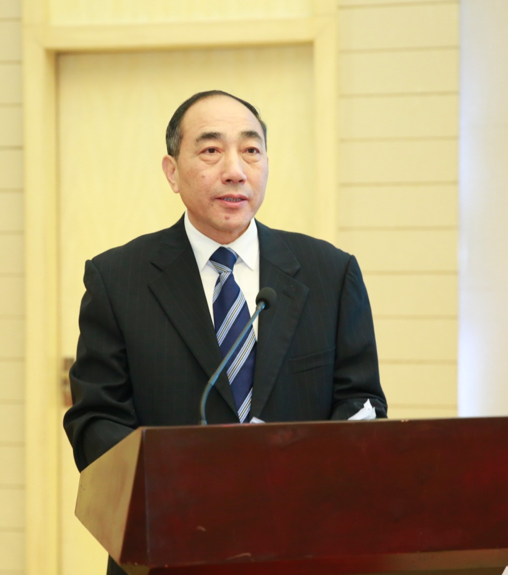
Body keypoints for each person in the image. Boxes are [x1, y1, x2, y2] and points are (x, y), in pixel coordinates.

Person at [63, 90, 387, 574]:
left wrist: (304, 468)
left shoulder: (330, 273)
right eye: (211, 150)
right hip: (167, 548)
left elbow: (361, 403)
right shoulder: (118, 279)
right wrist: (179, 484)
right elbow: (95, 420)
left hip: (303, 546)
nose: (235, 170)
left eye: (251, 150)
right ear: (172, 172)